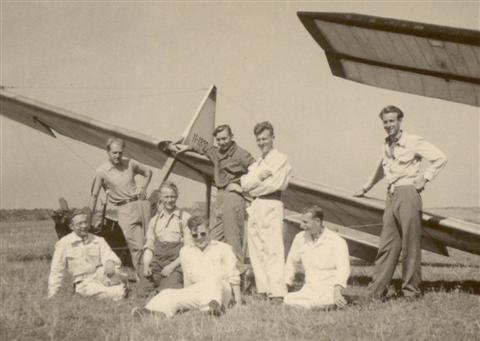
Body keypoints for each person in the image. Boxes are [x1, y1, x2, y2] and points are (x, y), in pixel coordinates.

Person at [353, 105, 447, 299]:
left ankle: (411, 292)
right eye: (385, 122)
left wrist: (425, 178)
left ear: (400, 121)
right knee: (387, 245)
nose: (388, 125)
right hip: (391, 195)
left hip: (408, 194)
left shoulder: (413, 141)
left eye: (392, 121)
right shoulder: (385, 144)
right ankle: (375, 292)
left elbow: (440, 158)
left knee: (410, 244)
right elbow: (380, 168)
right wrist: (365, 188)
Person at [169, 124, 255, 263]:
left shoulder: (241, 154)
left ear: (232, 137)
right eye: (219, 139)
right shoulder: (216, 152)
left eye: (224, 138)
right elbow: (204, 148)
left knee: (233, 241)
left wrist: (242, 189)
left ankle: (239, 278)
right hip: (220, 197)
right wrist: (187, 147)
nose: (222, 142)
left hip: (233, 198)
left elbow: (257, 172)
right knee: (213, 239)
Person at [132, 216, 242, 318]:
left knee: (213, 281)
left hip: (220, 290)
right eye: (195, 235)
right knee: (167, 293)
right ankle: (150, 312)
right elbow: (187, 280)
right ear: (190, 235)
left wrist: (238, 303)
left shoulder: (223, 248)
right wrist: (185, 299)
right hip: (198, 290)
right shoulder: (185, 251)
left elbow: (234, 277)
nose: (199, 238)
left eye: (203, 234)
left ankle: (211, 309)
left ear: (209, 231)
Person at [239, 121, 292, 301]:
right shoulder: (258, 163)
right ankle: (263, 289)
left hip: (271, 204)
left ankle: (277, 291)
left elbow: (274, 184)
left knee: (273, 248)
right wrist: (257, 179)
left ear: (272, 138)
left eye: (265, 138)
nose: (262, 142)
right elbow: (244, 184)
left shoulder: (280, 159)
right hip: (256, 206)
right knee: (257, 249)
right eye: (259, 139)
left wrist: (253, 185)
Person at [89, 137, 152, 271]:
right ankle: (142, 279)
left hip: (142, 205)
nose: (118, 156)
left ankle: (152, 277)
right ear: (108, 152)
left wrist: (144, 188)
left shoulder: (130, 163)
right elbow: (94, 196)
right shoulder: (102, 171)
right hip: (125, 209)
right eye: (114, 153)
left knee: (150, 243)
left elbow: (148, 172)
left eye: (120, 152)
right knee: (137, 247)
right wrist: (89, 219)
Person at [47, 209, 126, 300]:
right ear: (71, 226)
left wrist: (109, 262)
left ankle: (118, 289)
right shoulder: (64, 243)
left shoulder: (98, 240)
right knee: (114, 292)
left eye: (86, 222)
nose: (84, 226)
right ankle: (120, 290)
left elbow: (109, 255)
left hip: (101, 276)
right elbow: (56, 270)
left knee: (116, 271)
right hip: (84, 282)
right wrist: (52, 294)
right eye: (79, 224)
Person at [284, 206, 349, 309]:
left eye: (305, 222)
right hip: (308, 289)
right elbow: (291, 262)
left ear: (317, 221)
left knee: (319, 303)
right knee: (287, 299)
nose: (301, 226)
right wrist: (286, 284)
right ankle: (315, 305)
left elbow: (343, 269)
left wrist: (337, 291)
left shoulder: (337, 241)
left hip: (328, 289)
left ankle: (331, 302)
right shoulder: (300, 238)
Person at [137, 181, 192, 298]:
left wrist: (171, 267)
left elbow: (188, 250)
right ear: (160, 198)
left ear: (177, 197)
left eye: (172, 197)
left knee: (169, 291)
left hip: (176, 262)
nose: (169, 200)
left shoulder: (185, 218)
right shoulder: (154, 220)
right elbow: (149, 246)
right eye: (166, 197)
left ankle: (163, 289)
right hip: (157, 262)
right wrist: (146, 266)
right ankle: (156, 288)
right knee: (142, 292)